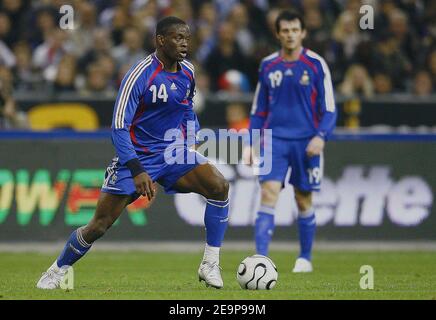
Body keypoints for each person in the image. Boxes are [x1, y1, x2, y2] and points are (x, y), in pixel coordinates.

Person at [37, 16, 229, 289]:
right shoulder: (140, 74)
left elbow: (187, 108)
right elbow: (118, 127)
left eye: (187, 38)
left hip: (172, 153)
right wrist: (137, 169)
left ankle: (210, 264)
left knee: (219, 186)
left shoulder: (188, 71)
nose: (184, 43)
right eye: (178, 37)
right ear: (160, 40)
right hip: (137, 158)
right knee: (99, 225)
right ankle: (56, 270)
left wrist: (191, 140)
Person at [244, 10, 337, 273]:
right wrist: (251, 142)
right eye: (285, 30)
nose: (290, 35)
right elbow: (258, 110)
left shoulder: (316, 64)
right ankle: (261, 259)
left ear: (303, 33)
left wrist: (321, 136)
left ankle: (304, 258)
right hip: (274, 140)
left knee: (303, 198)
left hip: (307, 142)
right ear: (278, 34)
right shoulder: (267, 65)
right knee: (268, 193)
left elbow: (329, 109)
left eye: (295, 30)